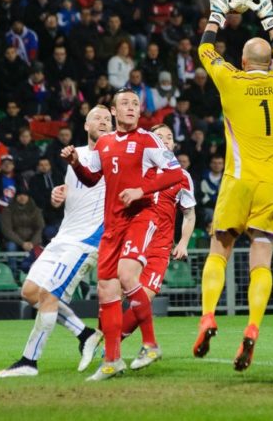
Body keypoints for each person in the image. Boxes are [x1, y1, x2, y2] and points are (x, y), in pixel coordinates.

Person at [192, 0, 273, 372]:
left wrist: (217, 14)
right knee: (261, 261)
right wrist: (268, 17)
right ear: (268, 62)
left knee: (219, 250)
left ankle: (208, 316)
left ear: (243, 61)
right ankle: (252, 326)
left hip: (237, 178)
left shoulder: (231, 80)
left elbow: (205, 50)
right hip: (271, 183)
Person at [62, 90, 184, 381]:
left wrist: (142, 190)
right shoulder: (104, 143)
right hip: (113, 224)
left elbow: (176, 173)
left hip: (140, 217)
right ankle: (112, 360)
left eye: (135, 104)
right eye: (125, 104)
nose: (131, 108)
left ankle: (151, 344)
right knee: (106, 290)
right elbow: (92, 178)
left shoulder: (148, 140)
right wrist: (76, 162)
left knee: (127, 275)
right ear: (114, 112)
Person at [0, 105, 113, 378]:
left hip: (86, 241)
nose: (103, 121)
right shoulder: (76, 154)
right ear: (86, 125)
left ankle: (29, 361)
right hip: (64, 235)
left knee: (49, 295)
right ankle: (85, 334)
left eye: (108, 119)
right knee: (30, 292)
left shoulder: (114, 156)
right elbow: (75, 192)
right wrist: (58, 195)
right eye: (97, 117)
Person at [121, 124, 197, 370]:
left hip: (160, 246)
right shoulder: (140, 168)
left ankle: (112, 345)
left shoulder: (182, 176)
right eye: (159, 136)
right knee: (116, 293)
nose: (164, 140)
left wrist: (183, 242)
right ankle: (107, 342)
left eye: (169, 137)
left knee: (144, 297)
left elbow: (189, 214)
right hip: (134, 239)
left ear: (174, 144)